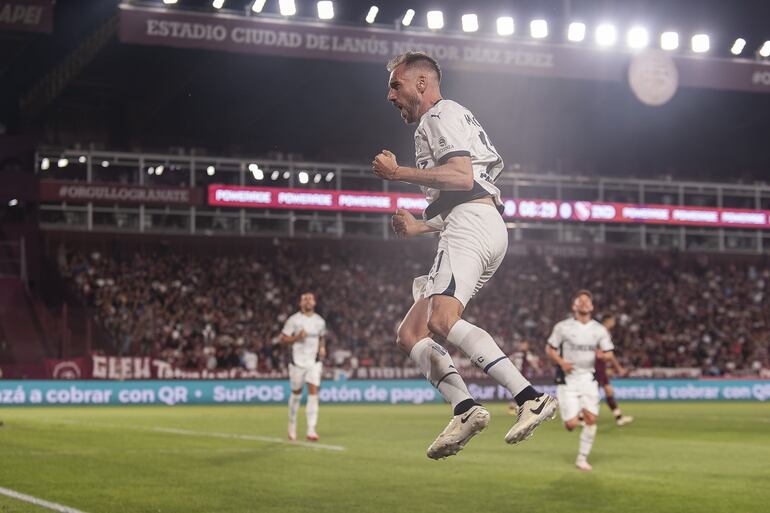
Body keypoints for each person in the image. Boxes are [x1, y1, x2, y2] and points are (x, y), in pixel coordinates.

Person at [372, 51, 557, 460]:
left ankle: (530, 397)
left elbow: (461, 177)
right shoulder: (448, 119)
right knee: (411, 333)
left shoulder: (439, 115)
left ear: (422, 83)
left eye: (395, 85)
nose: (390, 95)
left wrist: (398, 172)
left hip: (471, 225)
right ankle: (465, 408)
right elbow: (471, 191)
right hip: (476, 222)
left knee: (441, 319)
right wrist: (421, 225)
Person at [545, 290, 615, 471]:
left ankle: (582, 458)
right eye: (580, 301)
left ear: (592, 306)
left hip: (588, 378)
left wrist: (604, 356)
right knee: (571, 425)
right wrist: (561, 362)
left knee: (592, 418)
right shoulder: (563, 327)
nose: (584, 303)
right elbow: (550, 348)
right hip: (568, 380)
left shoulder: (599, 330)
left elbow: (609, 353)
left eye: (587, 301)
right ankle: (571, 415)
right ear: (574, 306)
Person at [278, 292, 326, 442]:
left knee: (313, 393)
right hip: (297, 362)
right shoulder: (293, 320)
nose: (308, 301)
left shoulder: (320, 321)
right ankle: (292, 425)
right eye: (305, 299)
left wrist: (323, 348)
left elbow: (321, 337)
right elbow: (282, 339)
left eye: (310, 299)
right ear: (300, 303)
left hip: (313, 362)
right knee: (296, 394)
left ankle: (311, 429)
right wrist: (297, 337)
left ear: (314, 302)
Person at [598, 317, 634, 426]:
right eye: (613, 320)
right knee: (592, 394)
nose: (614, 323)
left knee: (608, 391)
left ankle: (619, 417)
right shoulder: (602, 333)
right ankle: (581, 417)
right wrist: (618, 368)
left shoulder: (599, 331)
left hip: (599, 366)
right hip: (596, 366)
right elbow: (609, 355)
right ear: (607, 321)